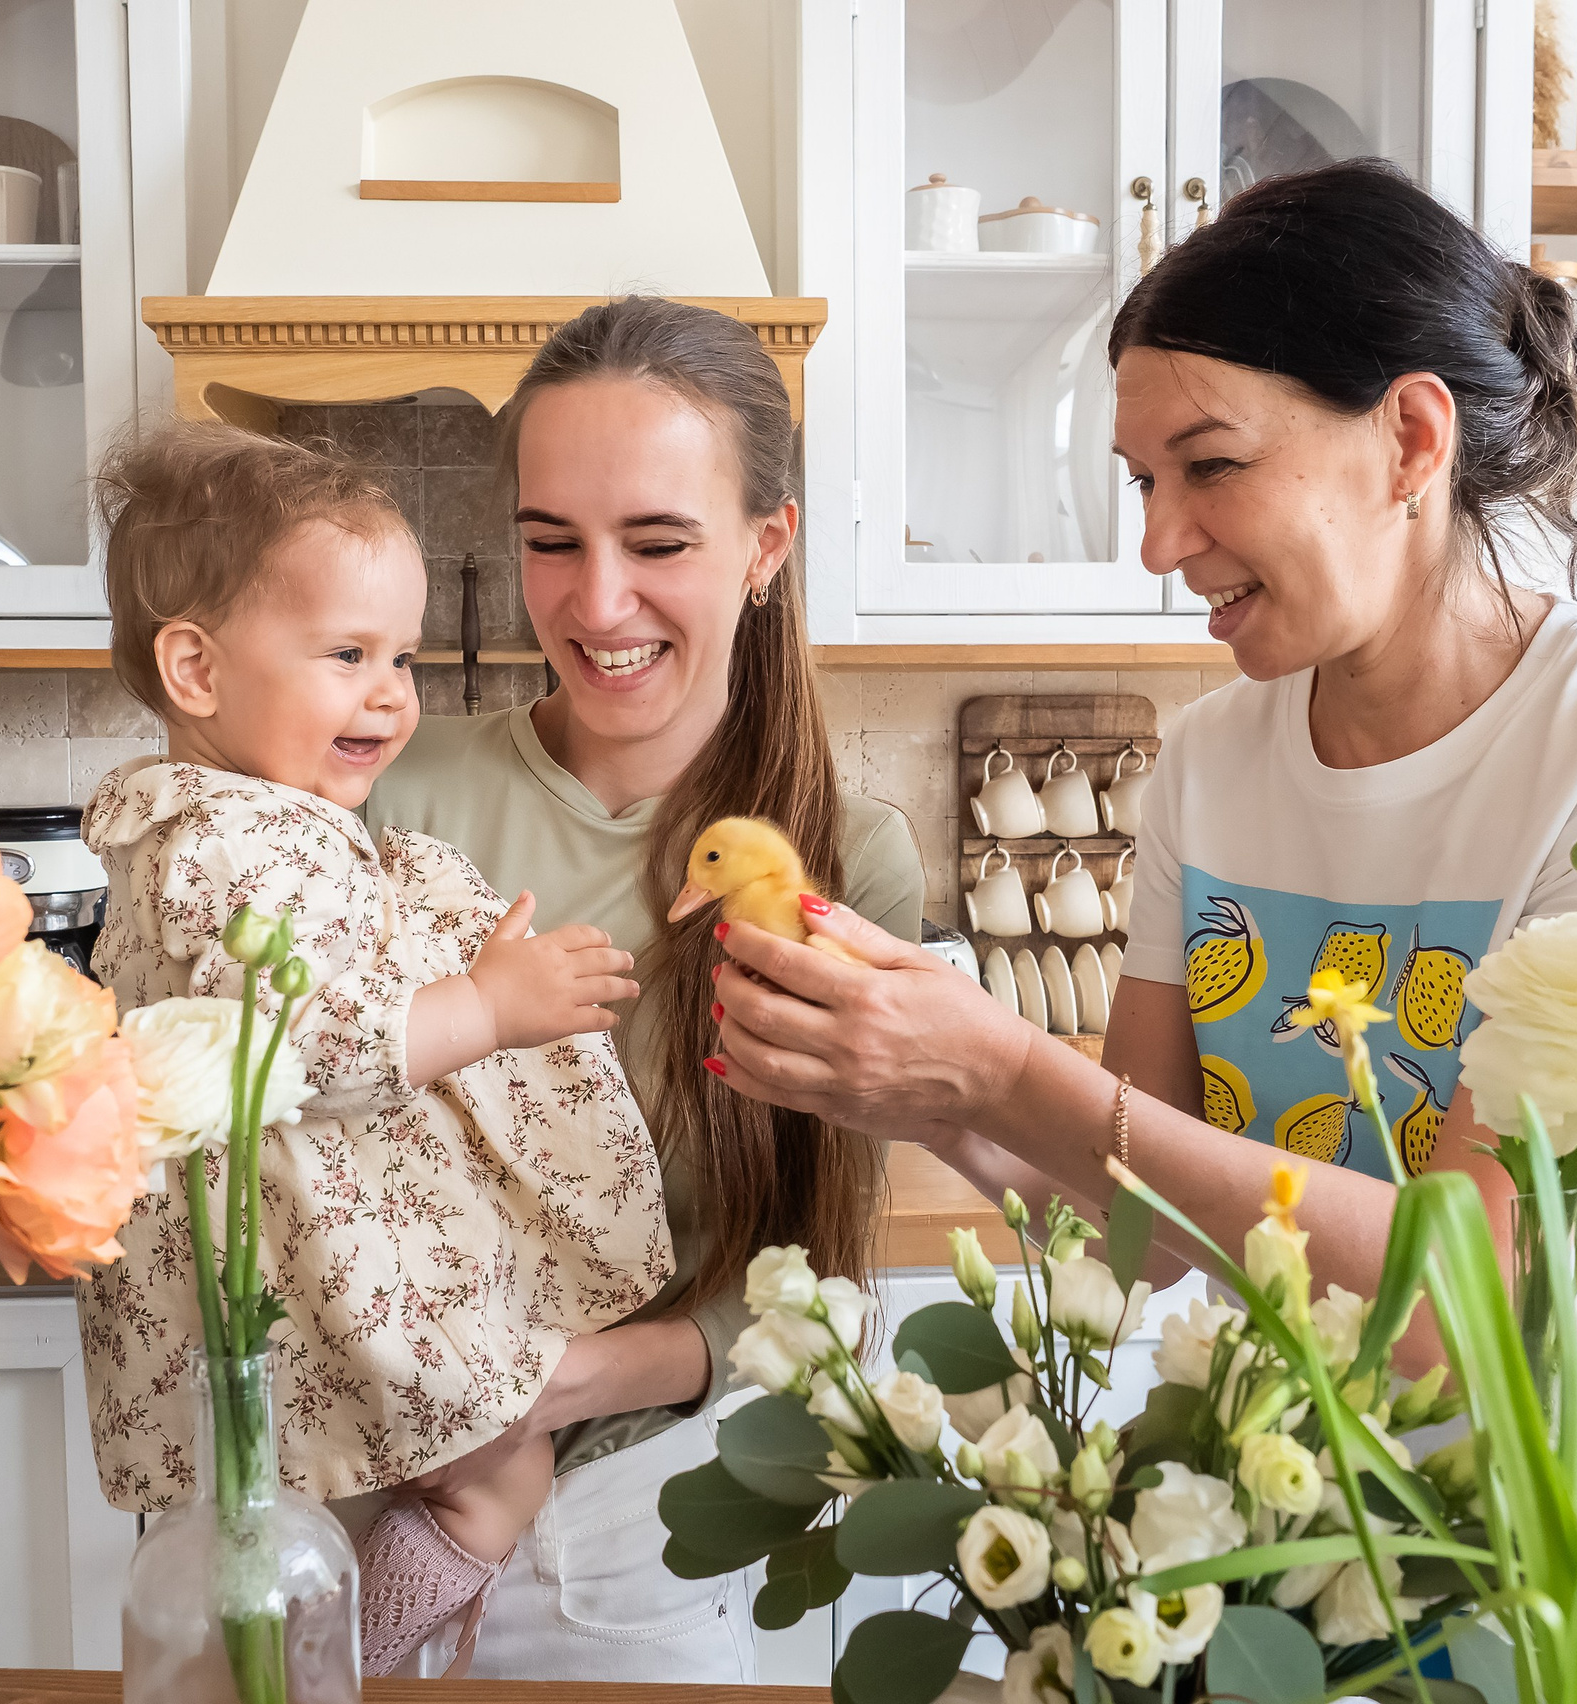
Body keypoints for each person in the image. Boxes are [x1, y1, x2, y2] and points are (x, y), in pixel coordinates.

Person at [703, 161, 1577, 1408]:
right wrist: (928, 1100)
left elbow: (1485, 1295)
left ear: (1411, 439)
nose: (1159, 544)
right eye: (1142, 482)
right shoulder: (1213, 761)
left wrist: (1004, 1070)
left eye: (1208, 466)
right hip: (1273, 1515)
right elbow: (1146, 1231)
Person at [361, 296, 926, 1678]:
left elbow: (816, 1284)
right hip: (364, 1501)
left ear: (764, 549)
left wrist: (558, 1387)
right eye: (550, 542)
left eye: (657, 543)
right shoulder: (390, 792)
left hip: (633, 1543)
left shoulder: (847, 868)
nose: (594, 603)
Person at [72, 422, 674, 1675]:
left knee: (436, 1476)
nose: (392, 693)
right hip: (309, 1278)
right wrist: (490, 1008)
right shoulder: (224, 845)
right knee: (494, 1470)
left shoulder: (260, 820)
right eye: (346, 654)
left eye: (398, 654)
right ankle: (357, 1657)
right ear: (194, 667)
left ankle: (345, 1645)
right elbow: (316, 1041)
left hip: (317, 1263)